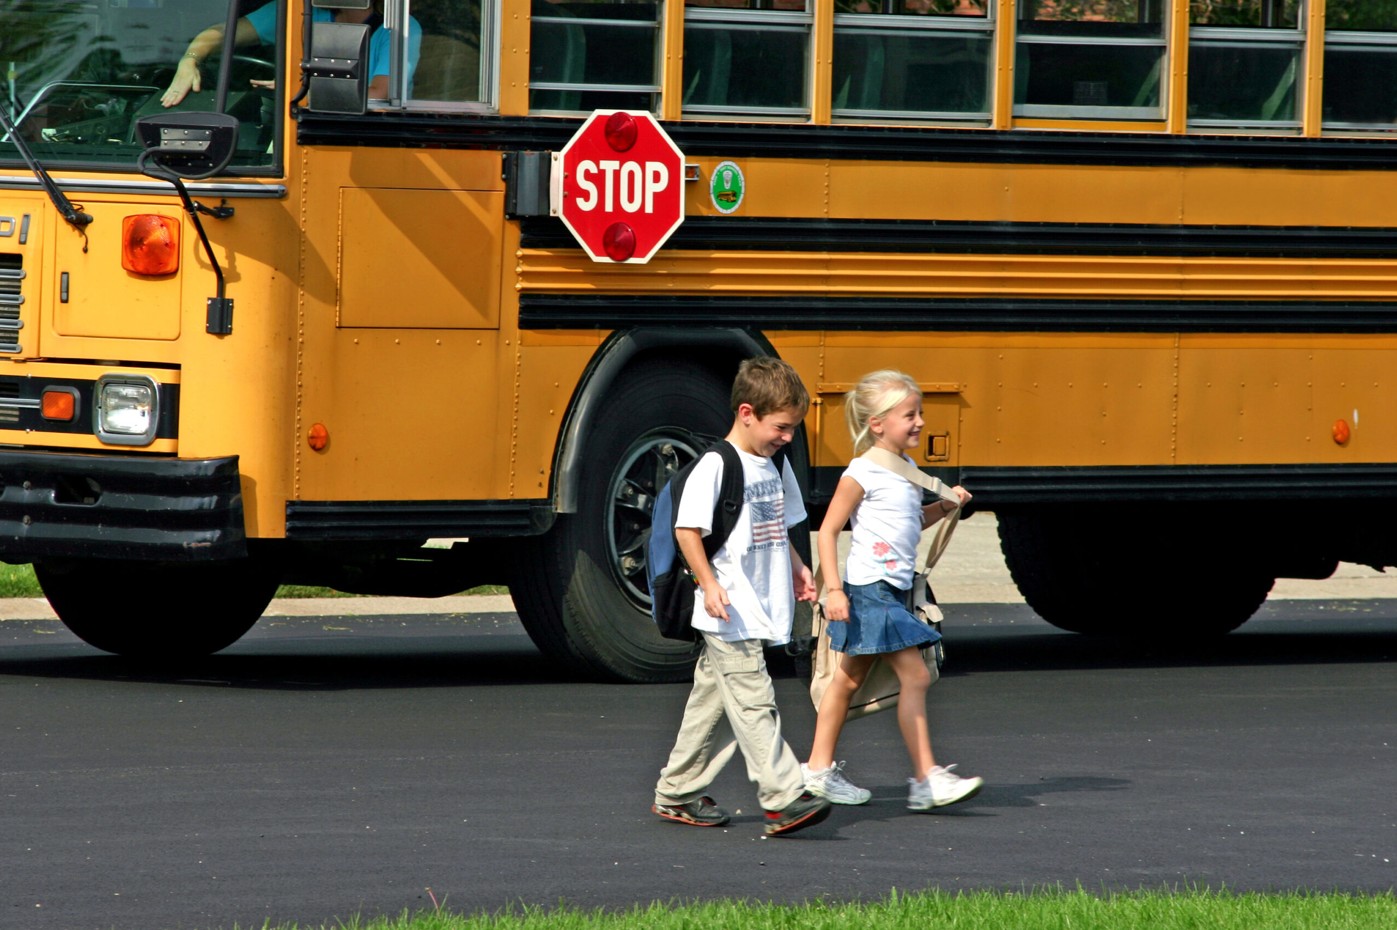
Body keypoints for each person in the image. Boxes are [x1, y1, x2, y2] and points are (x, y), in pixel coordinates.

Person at [652, 357, 833, 837]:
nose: (788, 438)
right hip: (729, 608)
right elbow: (688, 530)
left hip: (760, 603)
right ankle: (783, 797)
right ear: (747, 412)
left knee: (712, 705)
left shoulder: (775, 464)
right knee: (754, 702)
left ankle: (677, 790)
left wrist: (798, 569)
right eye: (781, 427)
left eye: (793, 428)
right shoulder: (717, 465)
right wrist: (709, 584)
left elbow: (781, 525)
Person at [803, 369, 983, 812]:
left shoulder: (906, 472)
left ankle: (817, 769)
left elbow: (910, 522)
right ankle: (926, 779)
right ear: (878, 423)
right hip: (870, 591)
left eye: (919, 412)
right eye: (910, 414)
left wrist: (944, 505)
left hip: (891, 590)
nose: (920, 421)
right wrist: (835, 591)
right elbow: (827, 532)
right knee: (916, 675)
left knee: (846, 680)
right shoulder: (862, 472)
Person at [161, 1, 421, 108]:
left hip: (359, 135)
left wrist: (301, 90)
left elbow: (380, 93)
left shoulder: (397, 27)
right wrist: (190, 59)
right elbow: (221, 33)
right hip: (288, 124)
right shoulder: (296, 9)